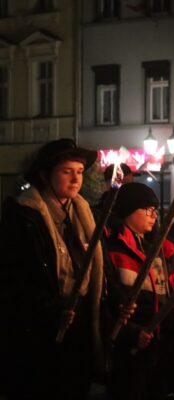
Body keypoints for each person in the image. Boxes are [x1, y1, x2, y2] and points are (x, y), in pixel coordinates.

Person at [0, 138, 104, 398]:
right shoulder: (25, 217)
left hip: (78, 324)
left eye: (79, 172)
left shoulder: (81, 214)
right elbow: (18, 279)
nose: (75, 180)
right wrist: (51, 309)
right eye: (66, 171)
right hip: (41, 333)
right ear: (45, 176)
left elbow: (96, 267)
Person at [105, 182, 174, 400]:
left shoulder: (160, 249)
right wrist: (132, 332)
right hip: (129, 347)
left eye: (155, 210)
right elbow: (111, 298)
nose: (153, 215)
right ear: (129, 210)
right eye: (147, 210)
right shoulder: (114, 247)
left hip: (160, 344)